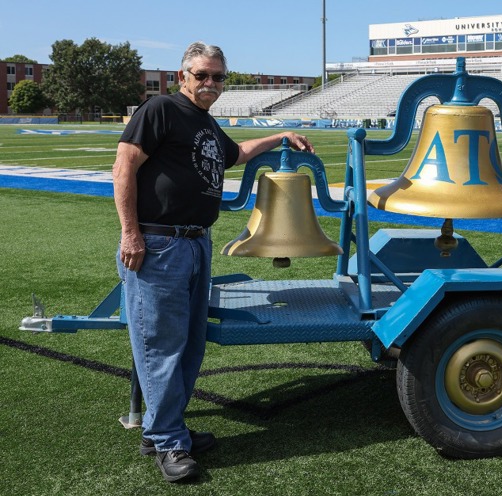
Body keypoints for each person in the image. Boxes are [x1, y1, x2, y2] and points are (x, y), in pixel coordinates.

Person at [113, 41, 314, 482]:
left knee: (189, 344)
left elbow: (236, 154)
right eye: (201, 75)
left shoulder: (203, 122)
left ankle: (163, 428)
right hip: (159, 243)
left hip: (196, 243)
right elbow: (125, 164)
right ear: (182, 75)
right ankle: (167, 442)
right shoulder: (161, 109)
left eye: (218, 77)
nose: (210, 83)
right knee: (161, 345)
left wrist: (280, 136)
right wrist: (131, 233)